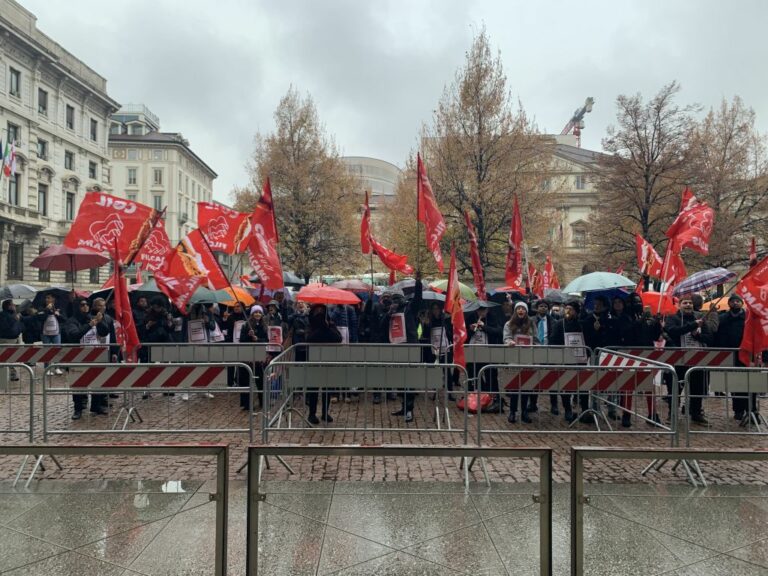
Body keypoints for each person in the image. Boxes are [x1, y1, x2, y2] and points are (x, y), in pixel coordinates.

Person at [663, 295, 714, 424]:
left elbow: (709, 337)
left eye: (690, 303)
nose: (688, 305)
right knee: (674, 388)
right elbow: (672, 331)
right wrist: (692, 325)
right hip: (677, 360)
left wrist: (698, 335)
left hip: (697, 359)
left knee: (697, 388)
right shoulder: (672, 318)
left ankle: (696, 412)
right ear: (679, 305)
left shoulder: (700, 319)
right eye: (685, 303)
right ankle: (672, 413)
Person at [63, 298, 108, 419]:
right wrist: (90, 325)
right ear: (77, 307)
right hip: (78, 356)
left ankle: (96, 406)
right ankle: (78, 409)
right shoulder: (71, 321)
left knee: (97, 382)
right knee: (79, 384)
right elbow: (74, 335)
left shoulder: (91, 317)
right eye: (82, 305)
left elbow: (105, 332)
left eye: (87, 304)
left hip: (95, 354)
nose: (85, 307)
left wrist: (100, 320)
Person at [715, 294, 754, 421]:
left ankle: (751, 410)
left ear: (742, 303)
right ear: (729, 303)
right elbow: (717, 335)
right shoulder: (723, 318)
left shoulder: (748, 318)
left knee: (748, 382)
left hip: (746, 354)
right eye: (733, 301)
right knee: (734, 383)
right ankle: (738, 410)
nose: (736, 303)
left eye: (738, 301)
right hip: (730, 355)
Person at [305, 303, 342, 424]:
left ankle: (325, 412)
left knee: (327, 388)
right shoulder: (310, 324)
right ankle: (312, 413)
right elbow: (309, 338)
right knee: (313, 389)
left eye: (322, 310)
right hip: (313, 361)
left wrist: (327, 327)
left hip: (328, 360)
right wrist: (321, 328)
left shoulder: (330, 324)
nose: (319, 313)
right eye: (317, 311)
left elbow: (338, 338)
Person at [503, 301, 539, 423]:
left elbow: (536, 339)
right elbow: (506, 338)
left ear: (526, 311)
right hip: (514, 359)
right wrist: (509, 342)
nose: (521, 310)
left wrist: (533, 344)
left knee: (526, 387)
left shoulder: (532, 324)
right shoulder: (508, 324)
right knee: (514, 388)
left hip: (527, 359)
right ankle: (512, 412)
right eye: (518, 308)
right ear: (515, 311)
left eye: (523, 309)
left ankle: (524, 412)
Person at [549, 301, 584, 423]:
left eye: (571, 309)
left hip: (579, 359)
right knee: (566, 386)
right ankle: (567, 409)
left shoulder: (581, 324)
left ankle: (584, 409)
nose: (568, 311)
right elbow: (552, 340)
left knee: (582, 384)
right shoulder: (559, 324)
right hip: (565, 359)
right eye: (566, 309)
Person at [465, 303, 503, 412]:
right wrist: (471, 329)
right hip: (474, 353)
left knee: (491, 376)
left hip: (488, 353)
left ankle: (495, 401)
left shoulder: (493, 317)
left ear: (487, 310)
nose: (482, 313)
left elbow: (498, 332)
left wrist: (484, 327)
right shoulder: (471, 317)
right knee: (475, 376)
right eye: (479, 310)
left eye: (484, 310)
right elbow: (464, 336)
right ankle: (478, 400)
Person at [239, 305, 268, 410]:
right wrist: (248, 335)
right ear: (252, 314)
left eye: (259, 312)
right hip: (247, 356)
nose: (257, 314)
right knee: (245, 380)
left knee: (260, 380)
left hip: (259, 356)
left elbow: (266, 340)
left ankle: (263, 401)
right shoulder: (246, 325)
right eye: (255, 312)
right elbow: (241, 340)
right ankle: (246, 404)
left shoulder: (264, 326)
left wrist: (258, 339)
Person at [0, 300, 24, 381]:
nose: (14, 306)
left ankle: (11, 374)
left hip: (16, 338)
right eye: (13, 304)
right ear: (8, 306)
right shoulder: (3, 315)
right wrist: (14, 319)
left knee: (13, 357)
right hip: (7, 340)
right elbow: (5, 327)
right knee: (7, 357)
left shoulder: (13, 314)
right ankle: (9, 375)